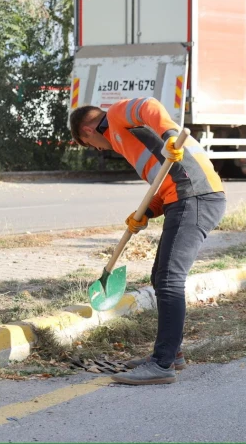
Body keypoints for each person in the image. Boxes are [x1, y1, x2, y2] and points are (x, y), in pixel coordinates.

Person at [69, 97, 226, 385]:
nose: (96, 148)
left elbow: (149, 105)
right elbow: (164, 183)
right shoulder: (128, 140)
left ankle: (162, 364)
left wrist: (168, 136)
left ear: (87, 132)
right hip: (184, 198)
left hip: (195, 197)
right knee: (160, 277)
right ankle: (171, 354)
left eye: (89, 144)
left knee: (169, 279)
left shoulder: (116, 115)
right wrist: (146, 212)